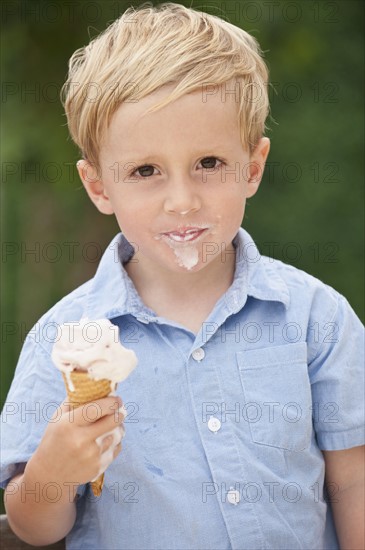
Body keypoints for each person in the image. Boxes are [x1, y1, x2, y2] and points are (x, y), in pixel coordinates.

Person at [1, 3, 364, 549]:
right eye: (146, 171)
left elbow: (352, 483)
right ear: (99, 187)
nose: (183, 200)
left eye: (210, 163)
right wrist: (52, 475)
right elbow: (30, 526)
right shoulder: (65, 339)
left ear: (253, 167)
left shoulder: (318, 318)